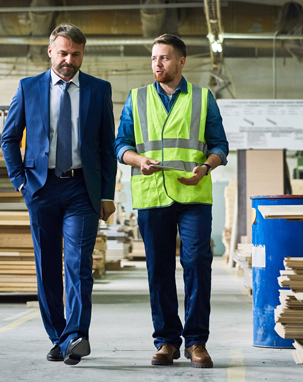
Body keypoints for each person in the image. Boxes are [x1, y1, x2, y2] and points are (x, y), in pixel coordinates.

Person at [1, 25, 117, 365]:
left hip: (83, 189)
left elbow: (107, 148)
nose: (69, 60)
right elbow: (9, 139)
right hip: (42, 187)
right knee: (47, 265)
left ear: (83, 54)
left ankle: (76, 336)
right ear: (50, 51)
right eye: (63, 53)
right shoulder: (28, 88)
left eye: (76, 54)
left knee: (79, 264)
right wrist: (21, 182)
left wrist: (106, 194)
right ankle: (58, 336)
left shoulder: (98, 90)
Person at [114, 34, 229, 369]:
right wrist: (138, 161)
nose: (157, 64)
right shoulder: (136, 99)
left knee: (196, 263)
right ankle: (166, 340)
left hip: (193, 193)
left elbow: (220, 145)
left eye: (164, 58)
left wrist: (206, 167)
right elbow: (121, 144)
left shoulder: (203, 98)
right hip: (152, 194)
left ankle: (196, 342)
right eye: (153, 58)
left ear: (181, 62)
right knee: (159, 269)